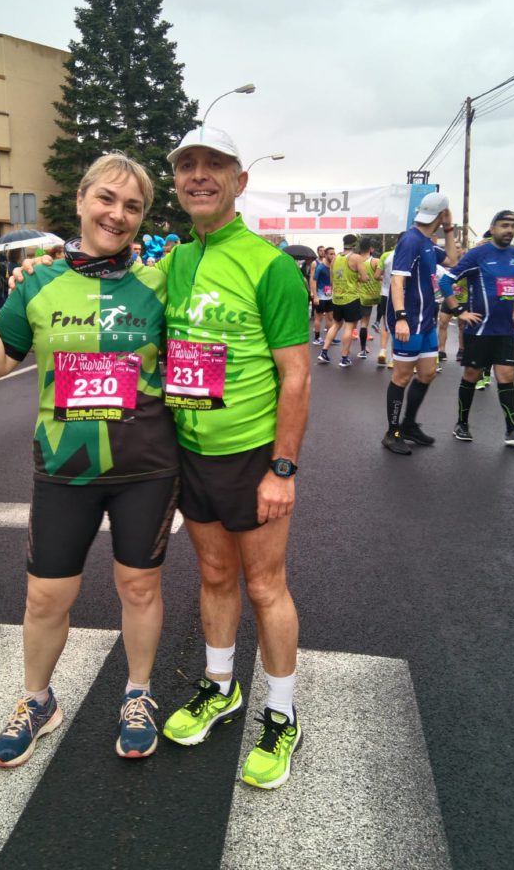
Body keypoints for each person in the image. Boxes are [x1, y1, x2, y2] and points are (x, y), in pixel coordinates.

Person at [0, 153, 179, 764]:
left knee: (139, 587)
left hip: (146, 465)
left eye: (133, 206)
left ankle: (138, 693)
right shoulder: (37, 282)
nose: (118, 214)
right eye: (106, 198)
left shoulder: (160, 283)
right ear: (80, 200)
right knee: (46, 596)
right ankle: (38, 701)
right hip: (65, 466)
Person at [158, 126, 310, 790]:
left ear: (239, 181)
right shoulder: (174, 262)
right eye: (186, 165)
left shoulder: (270, 266)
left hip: (253, 456)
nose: (199, 175)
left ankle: (282, 714)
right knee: (215, 577)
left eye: (214, 165)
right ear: (176, 182)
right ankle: (221, 688)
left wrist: (283, 469)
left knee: (265, 586)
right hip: (192, 452)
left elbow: (297, 376)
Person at [439, 210, 514, 446]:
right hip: (479, 330)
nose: (509, 230)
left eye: (513, 226)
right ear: (493, 228)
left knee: (507, 376)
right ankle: (461, 424)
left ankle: (512, 430)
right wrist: (459, 311)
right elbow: (445, 281)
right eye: (504, 225)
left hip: (505, 330)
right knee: (472, 376)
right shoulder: (477, 255)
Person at [382, 193, 459, 455]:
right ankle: (392, 433)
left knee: (427, 373)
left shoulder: (426, 242)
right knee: (402, 376)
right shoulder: (411, 240)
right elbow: (397, 281)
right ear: (440, 214)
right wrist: (401, 318)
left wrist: (449, 228)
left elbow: (452, 260)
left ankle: (408, 425)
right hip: (410, 321)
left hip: (426, 321)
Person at [317, 234, 360, 367]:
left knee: (336, 324)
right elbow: (364, 277)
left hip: (337, 298)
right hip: (351, 297)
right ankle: (344, 358)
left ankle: (324, 352)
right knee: (349, 326)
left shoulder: (335, 259)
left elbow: (331, 281)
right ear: (355, 244)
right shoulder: (356, 258)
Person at [355, 237, 381, 359]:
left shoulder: (355, 261)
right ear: (371, 249)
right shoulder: (375, 261)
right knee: (364, 323)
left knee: (353, 324)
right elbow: (380, 276)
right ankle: (363, 349)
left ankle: (354, 351)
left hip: (355, 295)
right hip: (370, 296)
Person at [309, 246, 334, 345]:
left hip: (329, 295)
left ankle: (330, 337)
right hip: (320, 296)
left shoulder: (331, 266)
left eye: (334, 254)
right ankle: (317, 338)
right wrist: (314, 295)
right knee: (319, 317)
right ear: (326, 255)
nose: (333, 256)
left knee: (330, 317)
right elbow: (313, 280)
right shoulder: (319, 266)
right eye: (331, 254)